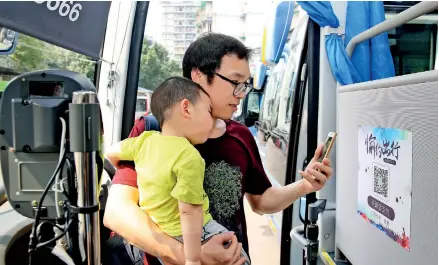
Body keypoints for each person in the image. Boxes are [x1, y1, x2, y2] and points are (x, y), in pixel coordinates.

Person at [103, 33, 333, 265]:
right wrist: (189, 256)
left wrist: (304, 186)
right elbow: (117, 213)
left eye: (245, 86)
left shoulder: (240, 135)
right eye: (235, 83)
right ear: (199, 76)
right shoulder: (153, 132)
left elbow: (261, 201)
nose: (241, 95)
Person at [105, 77, 251, 265]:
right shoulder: (189, 156)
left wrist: (126, 166)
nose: (212, 120)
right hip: (189, 234)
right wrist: (192, 259)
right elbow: (190, 211)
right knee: (237, 255)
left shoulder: (144, 140)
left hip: (157, 231)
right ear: (186, 108)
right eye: (208, 111)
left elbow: (111, 152)